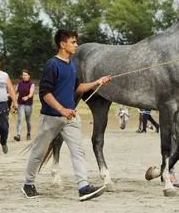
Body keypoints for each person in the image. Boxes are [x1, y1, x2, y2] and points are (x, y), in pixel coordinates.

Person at [21, 29, 111, 202]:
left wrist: (97, 82)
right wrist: (62, 109)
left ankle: (83, 187)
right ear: (63, 44)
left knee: (78, 151)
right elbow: (45, 93)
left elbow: (77, 88)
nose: (76, 45)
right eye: (73, 42)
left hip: (69, 118)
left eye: (76, 42)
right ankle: (28, 184)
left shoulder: (71, 65)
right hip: (51, 117)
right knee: (39, 152)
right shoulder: (52, 65)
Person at [14, 69, 35, 141]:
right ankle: (18, 135)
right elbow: (15, 93)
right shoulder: (19, 84)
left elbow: (31, 93)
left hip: (29, 104)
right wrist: (7, 95)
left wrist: (27, 97)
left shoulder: (31, 84)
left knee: (28, 120)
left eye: (26, 75)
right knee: (20, 119)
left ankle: (28, 133)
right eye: (23, 75)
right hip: (21, 104)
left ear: (29, 76)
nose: (24, 76)